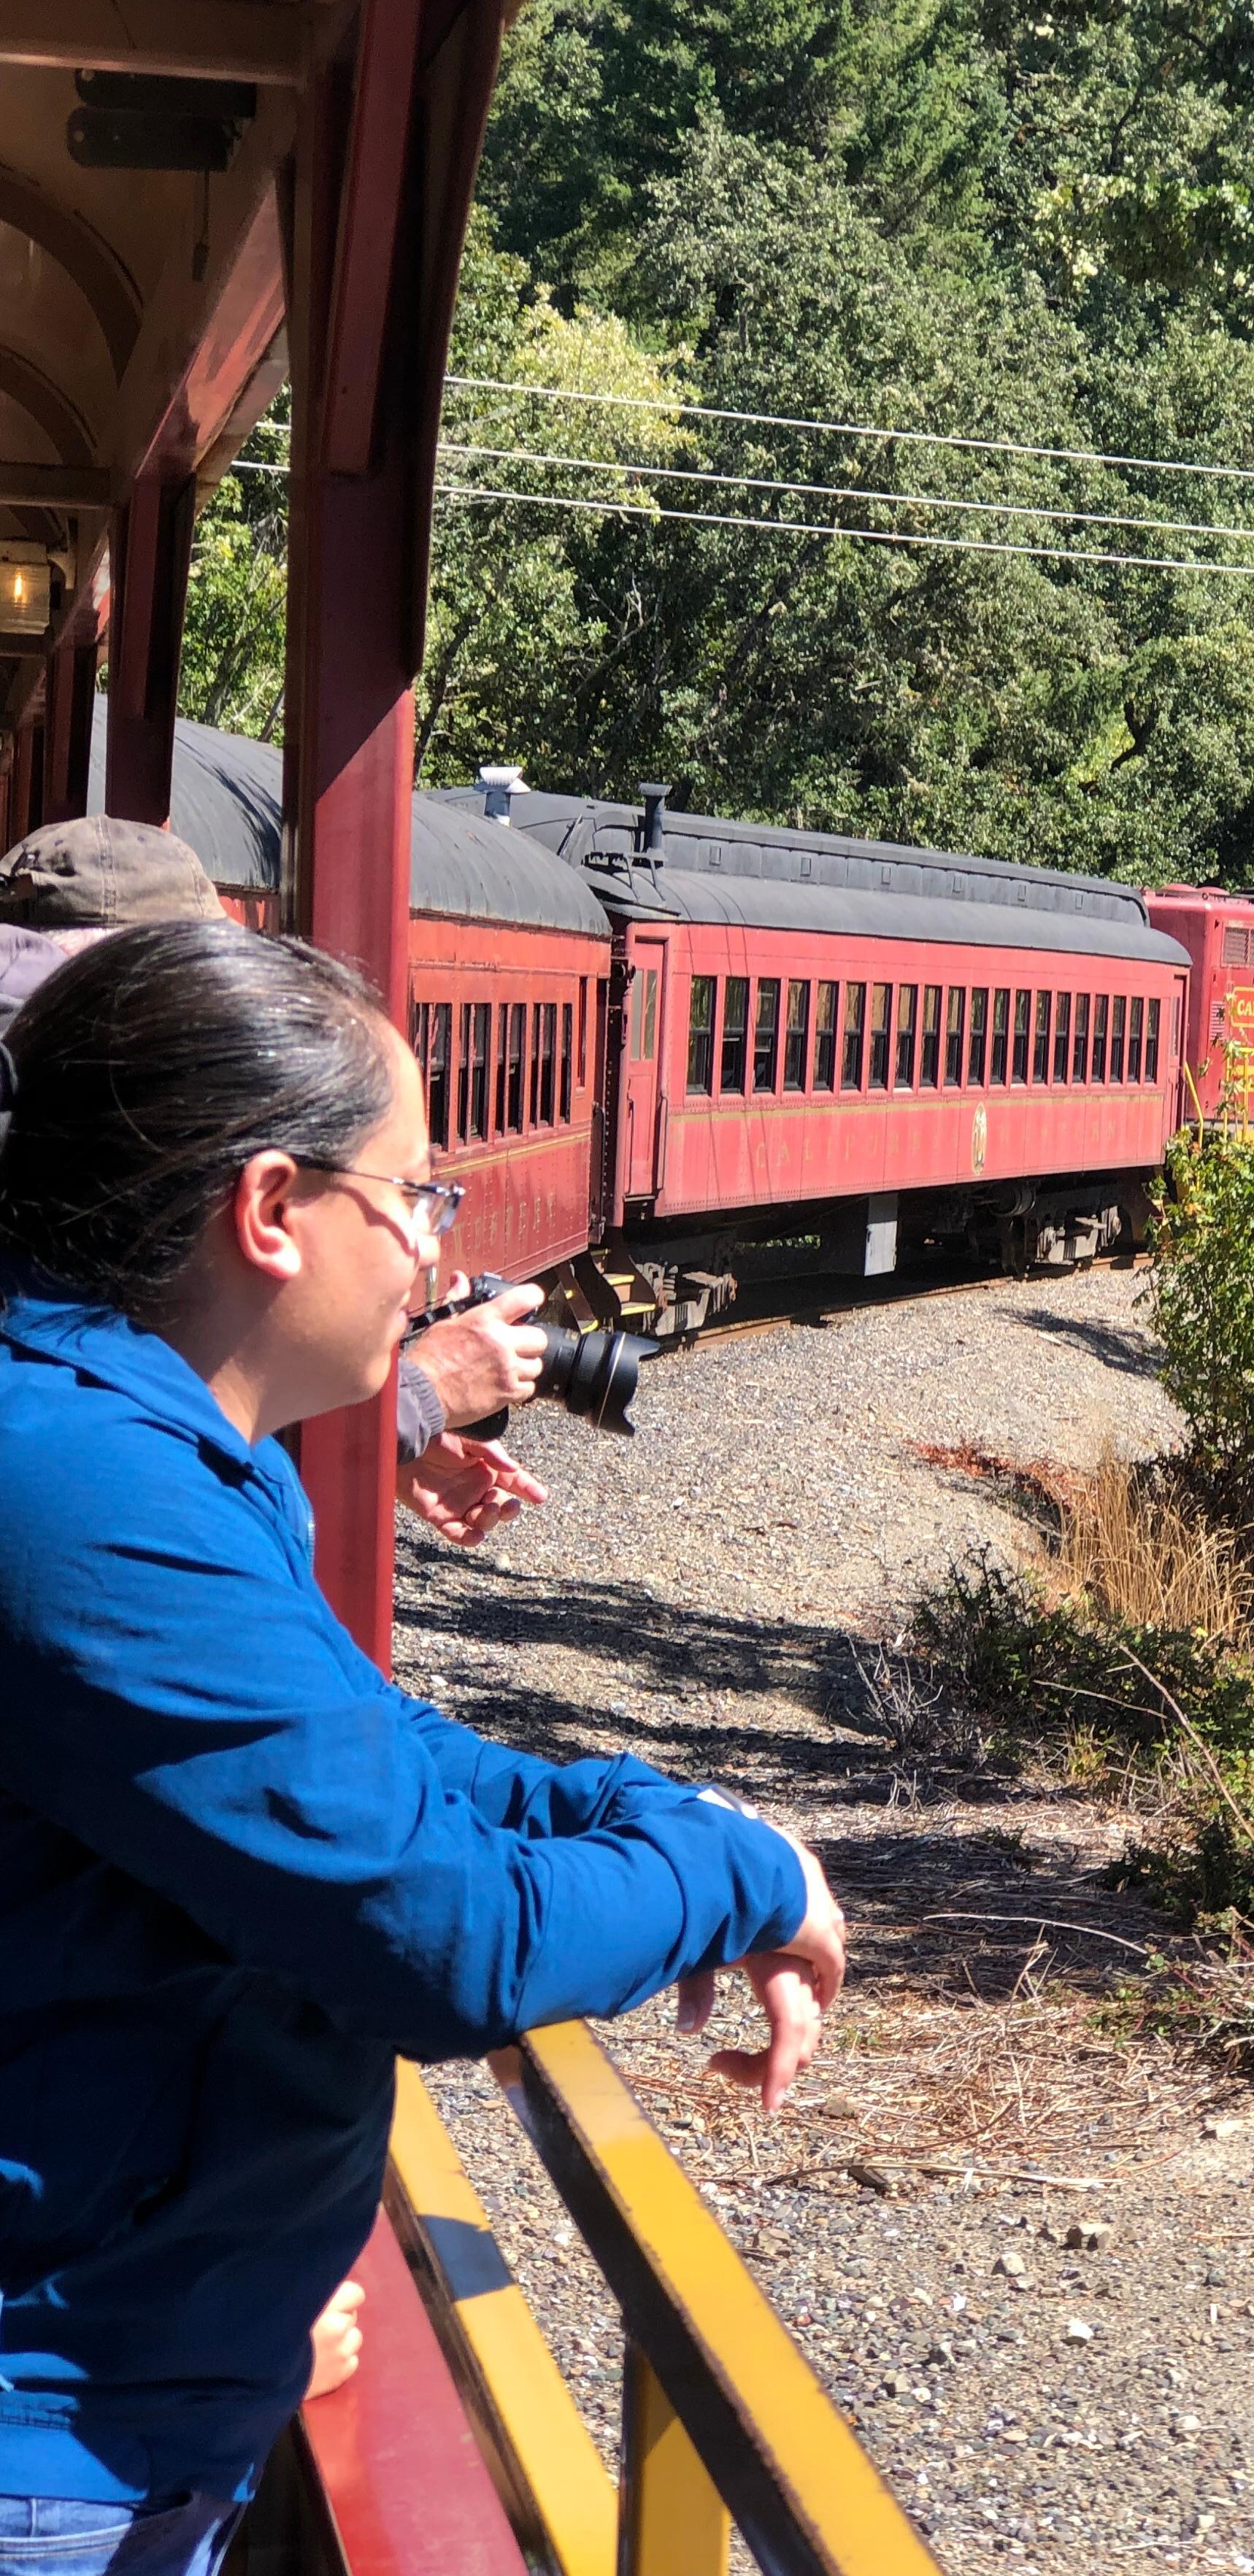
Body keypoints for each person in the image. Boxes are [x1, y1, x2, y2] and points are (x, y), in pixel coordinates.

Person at [0, 921, 846, 2576]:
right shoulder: (81, 1490)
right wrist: (745, 1870)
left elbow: (369, 1751)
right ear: (267, 1212)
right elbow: (449, 1946)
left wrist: (646, 1807)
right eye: (415, 1199)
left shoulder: (142, 1446)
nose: (431, 1259)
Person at [0, 814, 553, 1549]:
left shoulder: (40, 1108)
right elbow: (132, 1448)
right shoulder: (86, 1128)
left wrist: (382, 1439)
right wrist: (416, 1397)